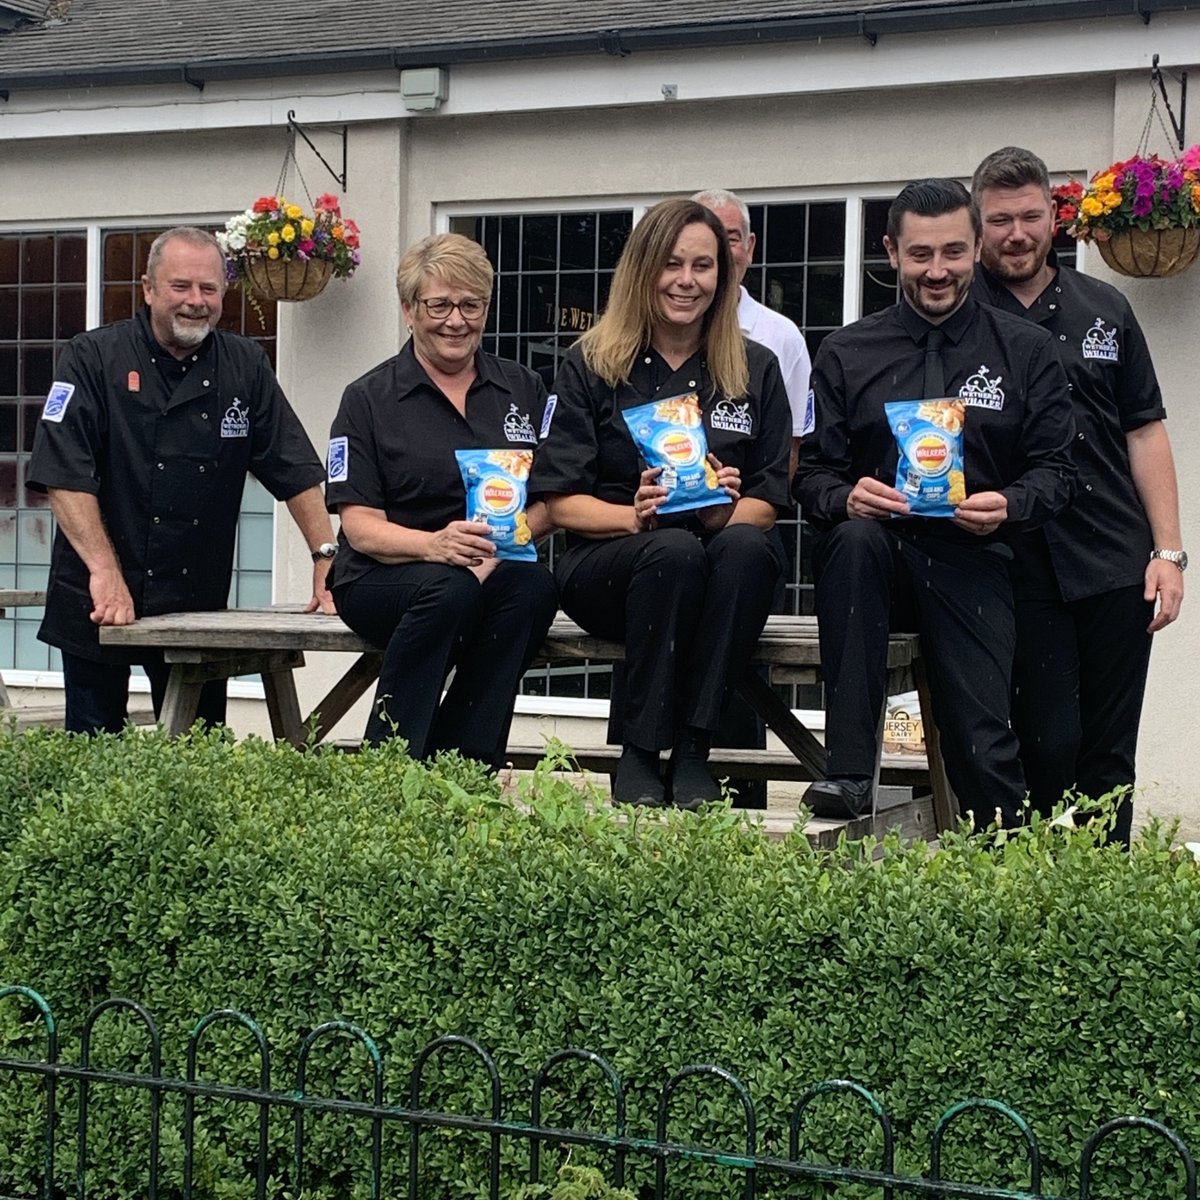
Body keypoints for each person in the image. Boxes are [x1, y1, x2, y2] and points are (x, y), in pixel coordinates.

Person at [794, 179, 1075, 828]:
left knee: (982, 738)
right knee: (852, 539)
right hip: (876, 562)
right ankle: (848, 775)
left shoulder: (1026, 351)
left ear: (977, 248)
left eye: (953, 251)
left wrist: (1008, 502)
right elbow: (811, 478)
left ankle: (1001, 875)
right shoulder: (844, 352)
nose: (937, 270)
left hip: (973, 557)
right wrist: (846, 495)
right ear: (891, 252)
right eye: (920, 254)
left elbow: (1058, 473)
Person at [530, 198, 792, 809]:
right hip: (610, 565)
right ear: (643, 269)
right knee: (672, 551)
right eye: (672, 264)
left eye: (703, 266)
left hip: (718, 568)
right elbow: (561, 502)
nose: (687, 280)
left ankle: (695, 748)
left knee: (746, 548)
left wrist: (721, 513)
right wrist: (634, 515)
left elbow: (770, 498)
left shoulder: (756, 368)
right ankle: (643, 752)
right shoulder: (591, 364)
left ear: (723, 277)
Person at [28, 226, 336, 734]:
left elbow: (294, 465)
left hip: (195, 604)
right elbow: (64, 474)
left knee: (195, 751)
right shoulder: (91, 357)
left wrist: (326, 556)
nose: (196, 301)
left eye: (209, 289)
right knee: (90, 754)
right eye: (181, 286)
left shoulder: (245, 365)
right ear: (148, 289)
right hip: (97, 593)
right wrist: (104, 570)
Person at [971, 146, 1185, 845]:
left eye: (1029, 216)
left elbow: (1145, 431)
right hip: (1013, 562)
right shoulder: (960, 314)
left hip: (1113, 558)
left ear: (1054, 217)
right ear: (978, 226)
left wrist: (1169, 553)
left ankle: (1101, 895)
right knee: (1045, 744)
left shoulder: (1106, 308)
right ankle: (1038, 888)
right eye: (999, 220)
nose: (1016, 233)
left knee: (1108, 751)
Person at [325, 233, 558, 765]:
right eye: (439, 305)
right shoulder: (367, 398)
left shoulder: (524, 388)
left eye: (471, 305)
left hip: (491, 567)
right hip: (383, 574)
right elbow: (360, 527)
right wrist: (436, 546)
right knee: (450, 590)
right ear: (409, 310)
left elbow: (552, 497)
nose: (456, 320)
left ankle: (465, 762)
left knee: (535, 588)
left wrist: (495, 549)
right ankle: (390, 765)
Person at [692, 188, 814, 474]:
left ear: (750, 247)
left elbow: (795, 441)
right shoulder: (657, 333)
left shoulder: (783, 337)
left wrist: (757, 510)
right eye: (707, 237)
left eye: (731, 238)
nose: (718, 250)